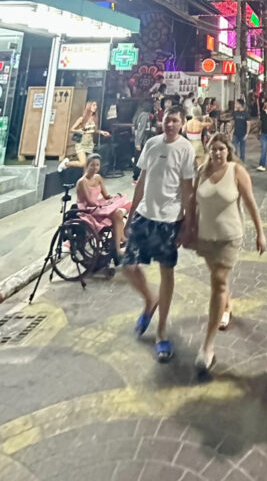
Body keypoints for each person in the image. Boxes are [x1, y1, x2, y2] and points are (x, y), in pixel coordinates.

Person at [122, 108, 195, 364]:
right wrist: (130, 214)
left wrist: (187, 222)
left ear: (182, 124)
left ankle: (161, 332)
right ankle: (149, 300)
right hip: (144, 215)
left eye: (175, 120)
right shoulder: (152, 144)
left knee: (167, 273)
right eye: (166, 119)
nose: (170, 123)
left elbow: (187, 188)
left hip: (169, 219)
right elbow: (141, 180)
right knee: (128, 266)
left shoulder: (186, 149)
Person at [192, 134, 265, 374]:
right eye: (213, 149)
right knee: (217, 278)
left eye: (221, 149)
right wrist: (188, 228)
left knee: (218, 283)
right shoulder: (201, 171)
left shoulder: (236, 171)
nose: (217, 153)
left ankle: (207, 347)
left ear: (228, 150)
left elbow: (251, 202)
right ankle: (226, 305)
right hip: (205, 237)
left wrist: (260, 232)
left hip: (229, 238)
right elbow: (193, 201)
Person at [75, 153, 130, 260]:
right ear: (87, 165)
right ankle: (120, 243)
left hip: (98, 206)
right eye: (92, 165)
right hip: (87, 209)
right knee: (115, 213)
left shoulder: (98, 178)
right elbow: (89, 202)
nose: (95, 168)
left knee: (117, 214)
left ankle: (118, 245)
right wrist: (105, 206)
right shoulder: (82, 182)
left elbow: (106, 195)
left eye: (97, 165)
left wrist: (114, 198)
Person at [59, 100, 111, 170]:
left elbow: (94, 130)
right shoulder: (82, 119)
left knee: (89, 164)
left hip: (90, 144)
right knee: (83, 163)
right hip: (81, 144)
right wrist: (79, 131)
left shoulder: (94, 119)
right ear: (89, 106)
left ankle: (85, 177)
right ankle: (66, 163)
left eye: (96, 105)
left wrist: (102, 132)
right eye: (93, 105)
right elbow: (71, 129)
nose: (95, 107)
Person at [232, 97, 249, 162]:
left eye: (237, 104)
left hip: (243, 133)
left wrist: (247, 134)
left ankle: (242, 161)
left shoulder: (245, 114)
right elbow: (234, 123)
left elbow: (248, 124)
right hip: (235, 133)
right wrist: (231, 132)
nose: (236, 105)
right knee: (234, 148)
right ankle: (235, 160)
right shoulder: (235, 113)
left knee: (242, 149)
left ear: (240, 105)